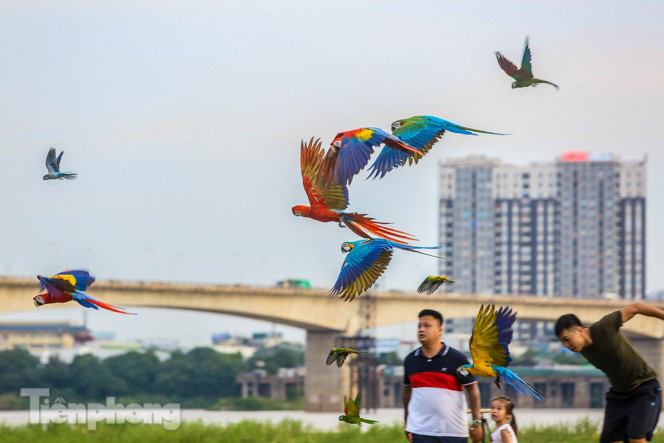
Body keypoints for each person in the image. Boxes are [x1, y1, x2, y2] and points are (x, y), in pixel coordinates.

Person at [555, 302, 664, 443]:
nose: (566, 346)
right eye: (562, 343)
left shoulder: (604, 327)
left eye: (567, 340)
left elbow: (636, 307)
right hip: (618, 396)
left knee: (636, 439)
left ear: (579, 330)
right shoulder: (582, 349)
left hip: (645, 389)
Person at [403, 309, 483, 443]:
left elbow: (472, 389)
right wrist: (406, 422)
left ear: (439, 330)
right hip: (421, 432)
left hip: (454, 433)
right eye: (419, 326)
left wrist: (476, 422)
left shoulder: (457, 359)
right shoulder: (410, 361)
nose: (421, 329)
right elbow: (406, 393)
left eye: (427, 326)